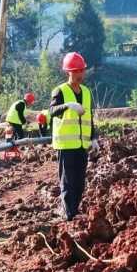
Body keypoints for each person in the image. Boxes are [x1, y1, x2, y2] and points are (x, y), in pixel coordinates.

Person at [49, 52, 100, 221]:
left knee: (79, 184)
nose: (79, 74)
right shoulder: (60, 91)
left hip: (81, 146)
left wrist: (93, 138)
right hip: (65, 146)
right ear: (67, 73)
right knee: (67, 183)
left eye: (81, 70)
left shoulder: (86, 92)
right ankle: (70, 216)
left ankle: (75, 212)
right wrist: (67, 105)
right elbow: (52, 111)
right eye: (75, 71)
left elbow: (89, 118)